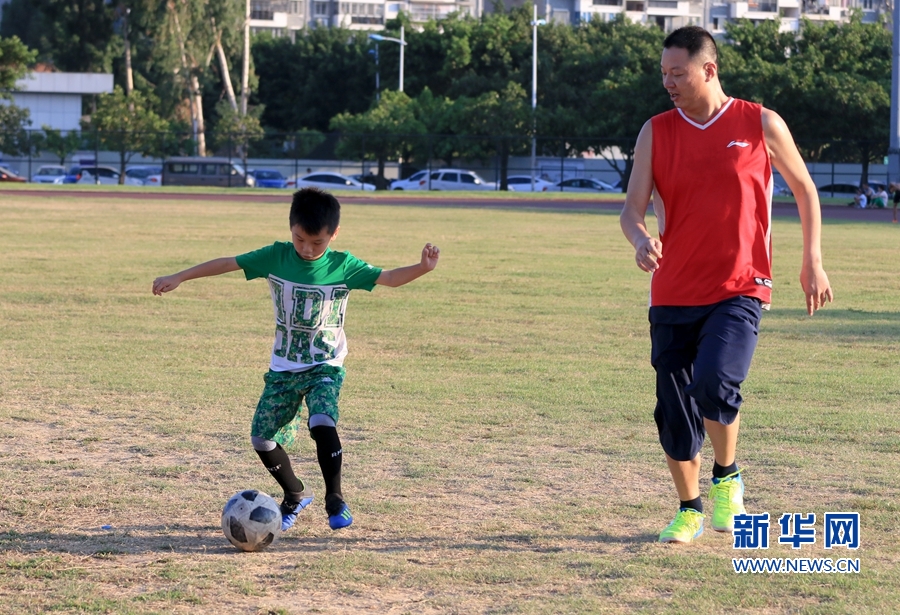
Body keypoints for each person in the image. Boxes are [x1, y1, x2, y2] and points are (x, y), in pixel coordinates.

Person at [620, 26, 833, 544]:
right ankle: (689, 508)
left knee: (715, 382)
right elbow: (630, 210)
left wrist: (813, 259)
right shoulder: (656, 131)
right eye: (663, 74)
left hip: (740, 284)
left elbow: (804, 189)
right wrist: (640, 238)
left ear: (708, 69)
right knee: (673, 413)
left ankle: (727, 476)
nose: (668, 82)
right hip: (672, 290)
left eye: (678, 73)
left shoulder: (758, 122)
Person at [152, 188, 440, 531]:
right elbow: (229, 263)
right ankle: (294, 494)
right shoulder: (276, 256)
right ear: (291, 229)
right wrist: (179, 276)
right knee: (262, 438)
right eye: (300, 239)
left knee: (322, 421)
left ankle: (336, 499)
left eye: (316, 242)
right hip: (284, 367)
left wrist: (423, 267)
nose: (306, 248)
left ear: (334, 235)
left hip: (325, 364)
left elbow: (390, 278)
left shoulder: (343, 265)